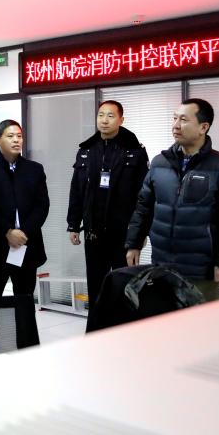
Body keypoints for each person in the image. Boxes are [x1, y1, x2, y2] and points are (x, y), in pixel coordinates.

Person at [125, 98, 219, 301]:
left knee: (203, 320)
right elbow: (143, 208)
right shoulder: (159, 163)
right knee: (165, 318)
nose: (176, 125)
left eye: (183, 120)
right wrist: (134, 243)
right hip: (162, 267)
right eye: (174, 118)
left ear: (203, 127)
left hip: (202, 272)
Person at [65, 100, 149, 317]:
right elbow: (77, 190)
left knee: (124, 285)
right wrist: (73, 224)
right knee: (96, 285)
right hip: (94, 232)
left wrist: (140, 235)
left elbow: (144, 198)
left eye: (110, 116)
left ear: (121, 120)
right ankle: (96, 327)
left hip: (124, 234)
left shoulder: (135, 152)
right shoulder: (86, 151)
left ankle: (123, 329)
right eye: (101, 115)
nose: (104, 120)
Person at [0, 120, 49, 358]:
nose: (16, 140)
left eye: (19, 135)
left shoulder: (35, 169)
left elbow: (42, 206)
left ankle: (27, 350)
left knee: (24, 301)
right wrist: (7, 231)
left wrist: (23, 232)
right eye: (10, 136)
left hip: (27, 246)